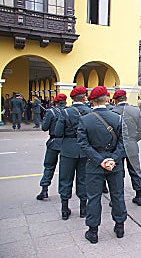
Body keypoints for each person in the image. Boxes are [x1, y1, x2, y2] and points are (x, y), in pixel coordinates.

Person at [77, 86, 126, 243]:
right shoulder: (117, 118)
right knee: (117, 195)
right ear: (106, 99)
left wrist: (100, 160)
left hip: (94, 163)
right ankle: (119, 227)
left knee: (93, 197)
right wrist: (113, 159)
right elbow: (124, 142)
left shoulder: (85, 120)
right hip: (114, 163)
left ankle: (93, 232)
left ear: (91, 101)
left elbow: (83, 144)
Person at [55, 86, 92, 220]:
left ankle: (65, 209)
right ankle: (83, 209)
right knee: (83, 179)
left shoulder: (65, 112)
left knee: (65, 179)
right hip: (84, 149)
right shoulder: (89, 111)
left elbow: (58, 132)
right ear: (83, 98)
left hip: (68, 149)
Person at [112, 89, 141, 205]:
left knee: (117, 172)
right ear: (126, 98)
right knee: (135, 170)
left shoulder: (112, 111)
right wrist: (133, 139)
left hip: (117, 146)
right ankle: (139, 195)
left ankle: (117, 198)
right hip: (131, 144)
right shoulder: (136, 111)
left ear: (115, 100)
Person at [36, 94, 67, 200]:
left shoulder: (51, 112)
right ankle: (65, 193)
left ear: (55, 102)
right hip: (66, 141)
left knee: (49, 166)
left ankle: (44, 189)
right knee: (66, 169)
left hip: (54, 142)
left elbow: (44, 127)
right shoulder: (69, 111)